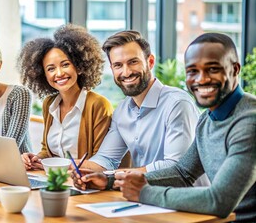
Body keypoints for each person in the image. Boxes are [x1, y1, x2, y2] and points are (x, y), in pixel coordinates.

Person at [74, 33, 256, 221]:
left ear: (235, 70)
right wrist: (110, 181)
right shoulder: (208, 119)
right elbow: (182, 173)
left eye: (212, 69)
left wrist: (144, 193)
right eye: (192, 71)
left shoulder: (249, 121)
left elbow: (219, 200)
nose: (201, 79)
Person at [79, 30, 200, 174]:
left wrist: (117, 177)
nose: (126, 72)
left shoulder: (177, 104)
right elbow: (106, 159)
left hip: (183, 194)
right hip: (145, 194)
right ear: (112, 69)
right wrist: (68, 167)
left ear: (150, 62)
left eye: (133, 62)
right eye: (118, 65)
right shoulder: (122, 111)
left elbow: (176, 166)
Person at [18, 24, 113, 170]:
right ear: (43, 74)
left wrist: (64, 168)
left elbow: (100, 160)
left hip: (82, 183)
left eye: (65, 64)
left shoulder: (98, 104)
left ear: (80, 66)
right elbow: (47, 151)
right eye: (51, 68)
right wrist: (35, 158)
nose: (59, 73)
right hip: (54, 179)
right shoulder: (49, 104)